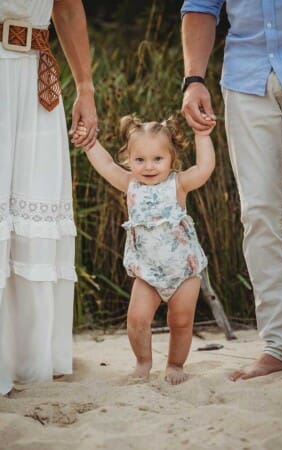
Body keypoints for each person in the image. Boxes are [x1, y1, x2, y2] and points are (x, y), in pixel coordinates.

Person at [180, 1, 282, 383]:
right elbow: (200, 6)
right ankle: (278, 345)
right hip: (245, 79)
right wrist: (193, 80)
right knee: (259, 213)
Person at [0, 0, 97, 396]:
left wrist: (85, 89)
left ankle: (29, 358)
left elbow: (69, 7)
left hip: (37, 79)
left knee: (33, 203)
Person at [73, 114, 215, 384]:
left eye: (157, 159)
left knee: (181, 322)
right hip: (147, 272)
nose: (148, 167)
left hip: (183, 271)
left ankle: (175, 365)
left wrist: (202, 134)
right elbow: (105, 164)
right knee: (137, 320)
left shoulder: (178, 184)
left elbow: (205, 167)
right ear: (129, 159)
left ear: (172, 158)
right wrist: (89, 144)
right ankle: (143, 362)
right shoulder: (130, 184)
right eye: (140, 160)